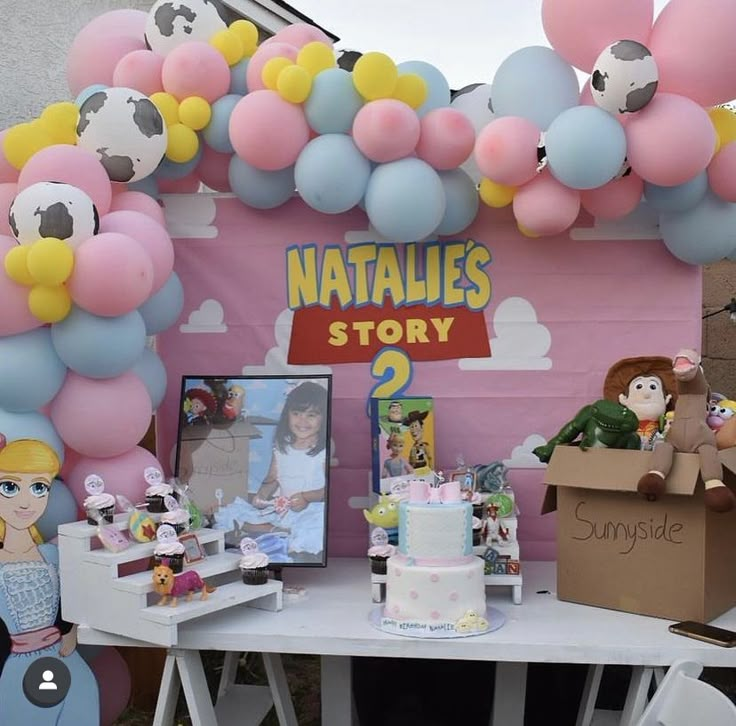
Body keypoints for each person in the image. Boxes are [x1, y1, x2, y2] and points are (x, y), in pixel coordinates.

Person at [0, 436, 100, 724]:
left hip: (67, 662)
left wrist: (70, 630)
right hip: (19, 669)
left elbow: (73, 600)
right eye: (10, 487)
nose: (25, 501)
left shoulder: (51, 555)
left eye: (38, 487)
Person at [224, 381, 328, 560]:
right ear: (287, 414)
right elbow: (272, 478)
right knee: (237, 515)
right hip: (283, 508)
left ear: (323, 418)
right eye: (296, 414)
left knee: (314, 529)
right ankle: (279, 530)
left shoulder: (323, 451)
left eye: (311, 415)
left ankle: (288, 533)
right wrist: (262, 495)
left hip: (311, 509)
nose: (302, 421)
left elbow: (327, 490)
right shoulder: (282, 447)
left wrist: (306, 497)